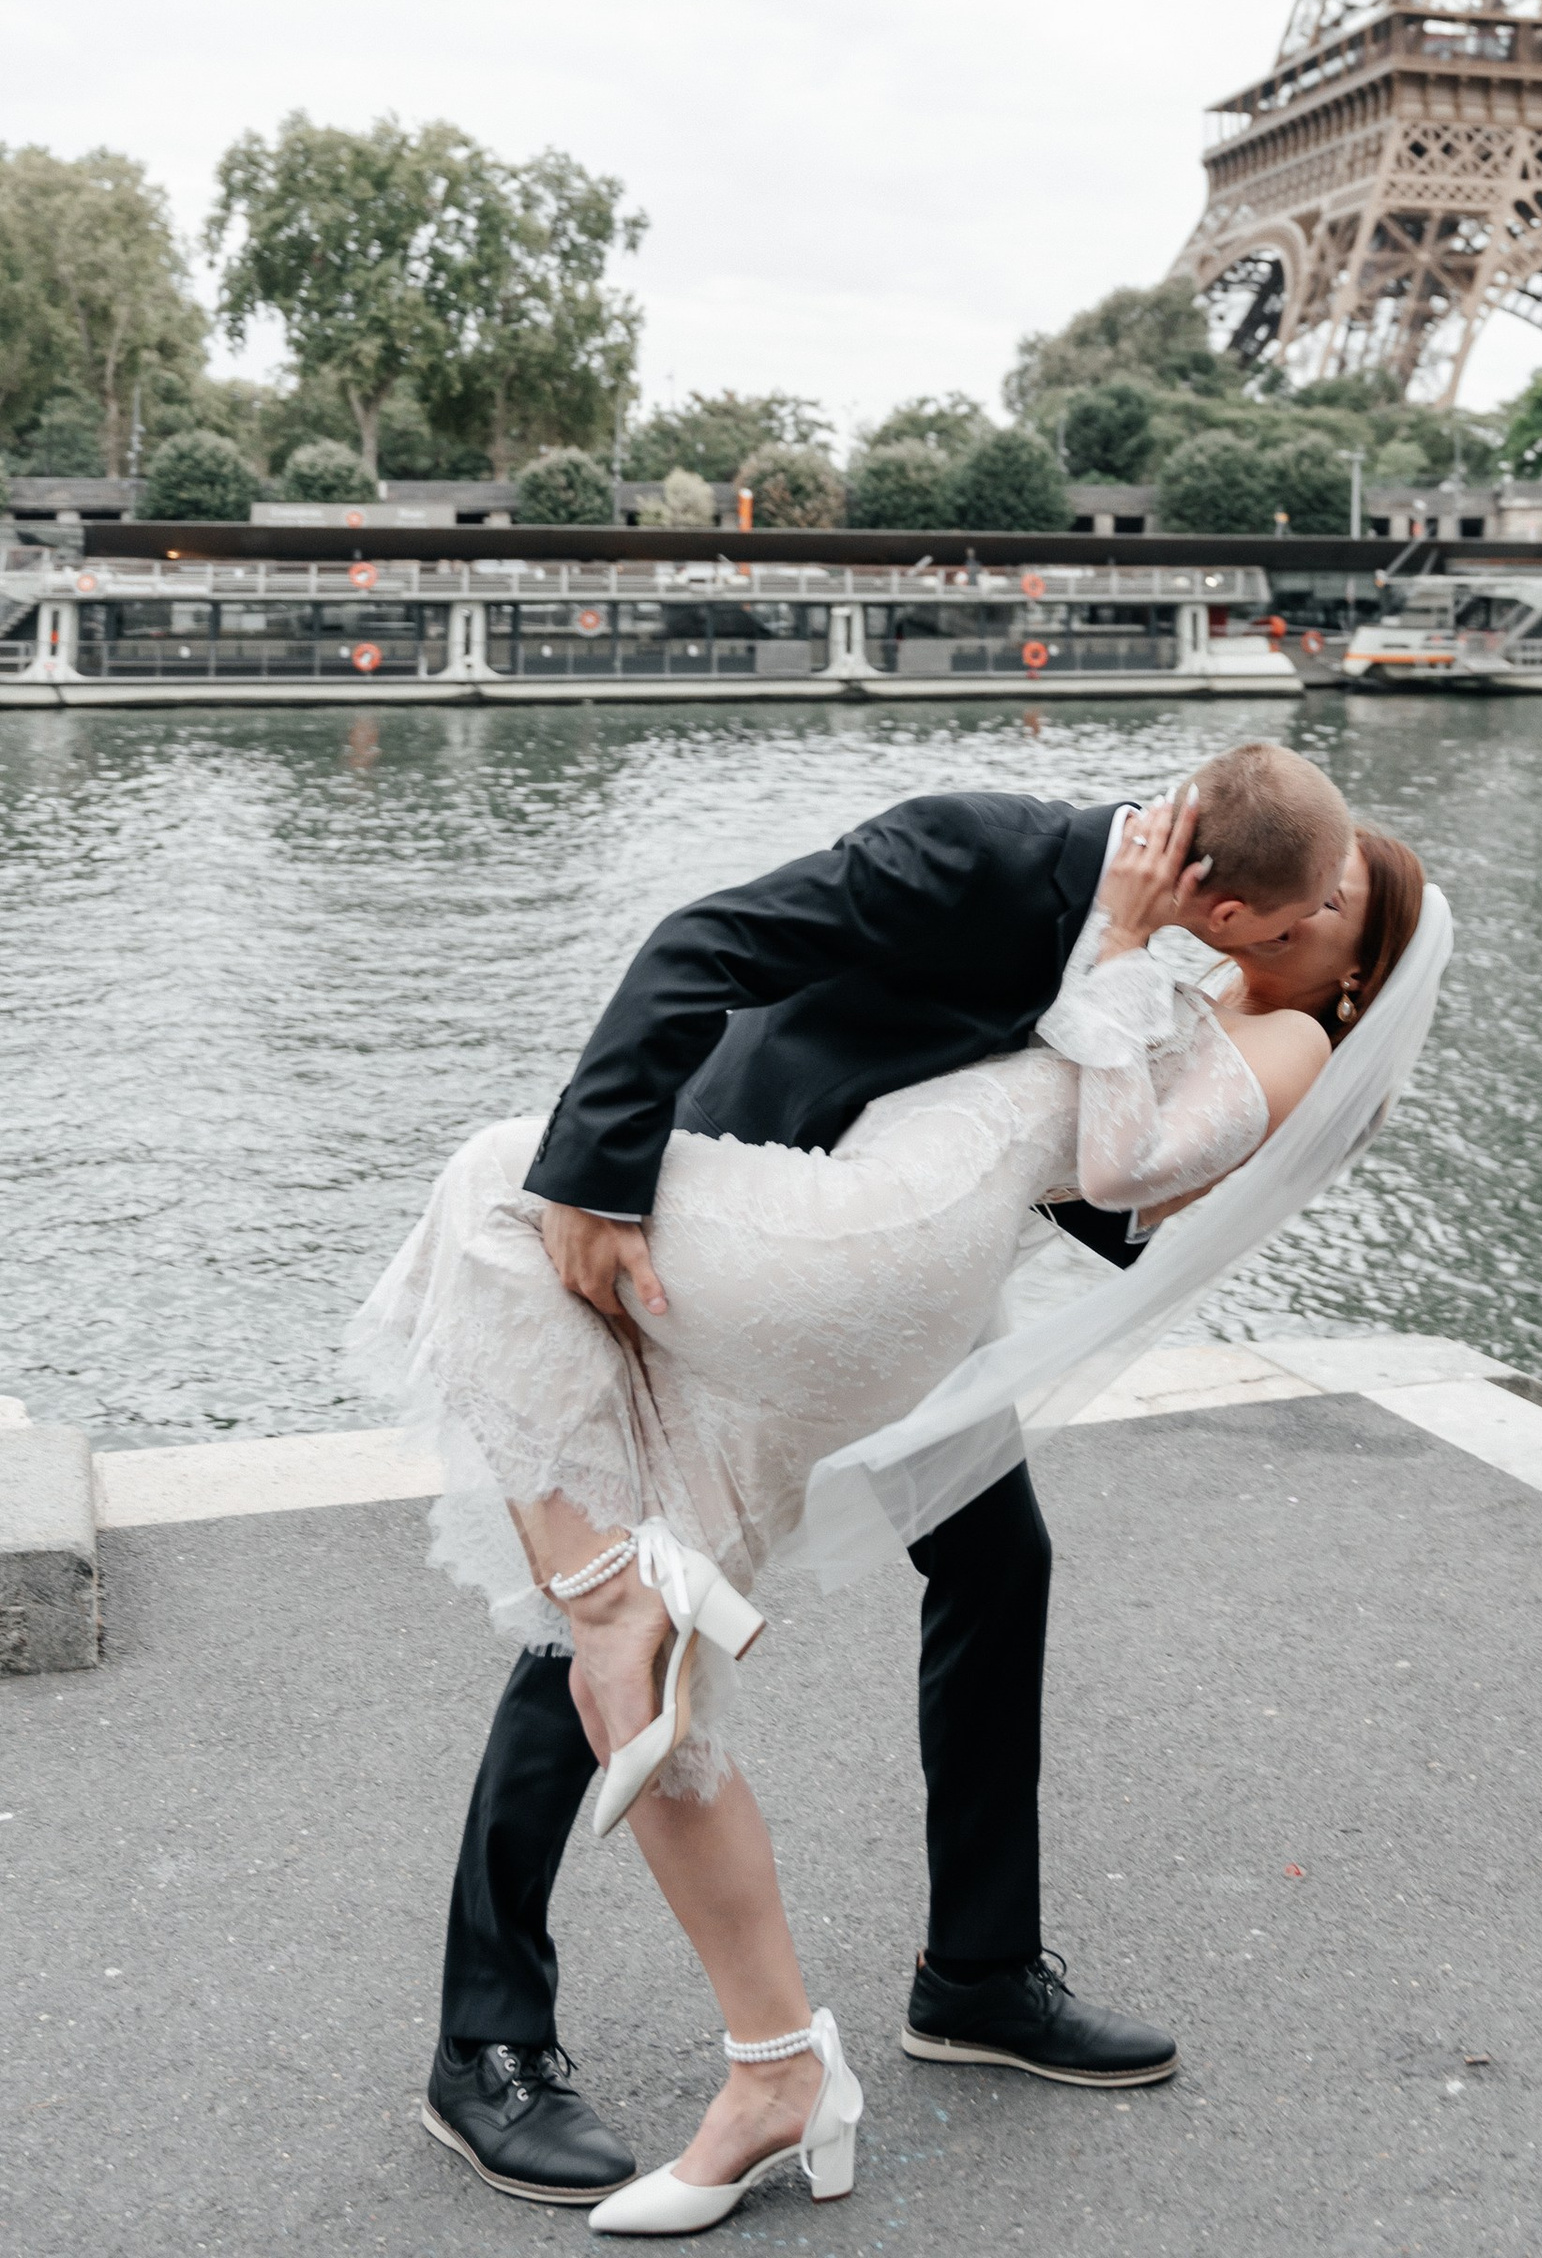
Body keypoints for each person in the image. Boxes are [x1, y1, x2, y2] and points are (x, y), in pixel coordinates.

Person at [359, 743, 1420, 2219]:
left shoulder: (1195, 973)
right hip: (759, 1200)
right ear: (1233, 898)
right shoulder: (985, 852)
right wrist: (601, 1173)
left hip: (919, 1277)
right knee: (614, 1616)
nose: (1306, 916)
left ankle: (977, 1972)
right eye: (1309, 894)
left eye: (1332, 915)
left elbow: (1092, 1170)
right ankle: (485, 2044)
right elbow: (704, 947)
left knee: (998, 1559)